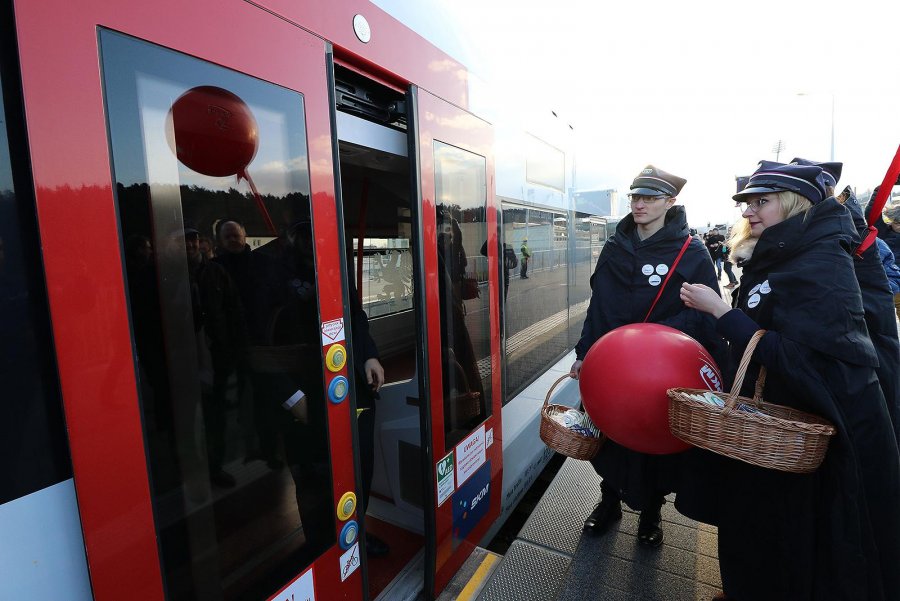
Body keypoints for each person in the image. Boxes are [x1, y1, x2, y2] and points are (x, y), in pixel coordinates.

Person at [679, 161, 900, 600]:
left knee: (791, 539)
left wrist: (725, 316)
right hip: (774, 431)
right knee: (755, 523)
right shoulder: (789, 250)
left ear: (797, 203)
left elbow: (812, 363)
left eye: (762, 201)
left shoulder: (819, 261)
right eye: (748, 202)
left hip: (808, 444)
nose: (749, 212)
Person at [569, 165, 724, 547]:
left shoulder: (691, 252)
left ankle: (652, 511)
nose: (639, 204)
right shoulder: (614, 244)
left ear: (671, 202)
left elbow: (704, 312)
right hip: (609, 365)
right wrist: (584, 352)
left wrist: (648, 341)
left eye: (650, 198)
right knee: (607, 435)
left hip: (659, 370)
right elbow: (599, 304)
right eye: (635, 197)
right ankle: (609, 501)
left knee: (655, 440)